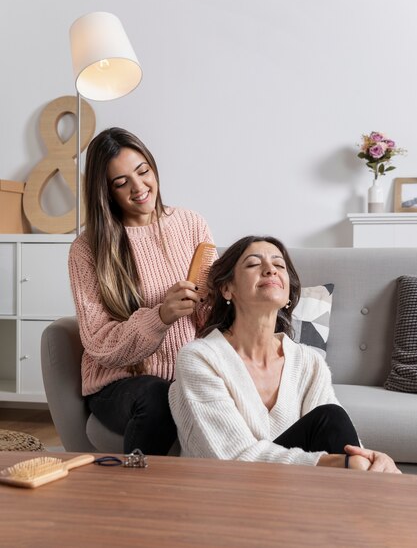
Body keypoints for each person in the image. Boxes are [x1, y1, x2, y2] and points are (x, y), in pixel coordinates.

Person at [169, 235, 400, 473]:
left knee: (332, 418)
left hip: (291, 491)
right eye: (253, 264)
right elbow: (232, 455)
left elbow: (339, 438)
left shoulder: (308, 362)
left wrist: (371, 460)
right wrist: (342, 463)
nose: (270, 270)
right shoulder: (200, 358)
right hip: (225, 489)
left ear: (288, 292)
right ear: (227, 289)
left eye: (279, 265)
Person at [68, 127, 216, 455]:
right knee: (157, 397)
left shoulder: (192, 224)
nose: (139, 188)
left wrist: (214, 299)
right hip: (118, 383)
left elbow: (212, 319)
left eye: (143, 171)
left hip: (187, 374)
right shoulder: (87, 249)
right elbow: (99, 343)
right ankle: (136, 500)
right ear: (105, 192)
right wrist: (160, 316)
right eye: (121, 183)